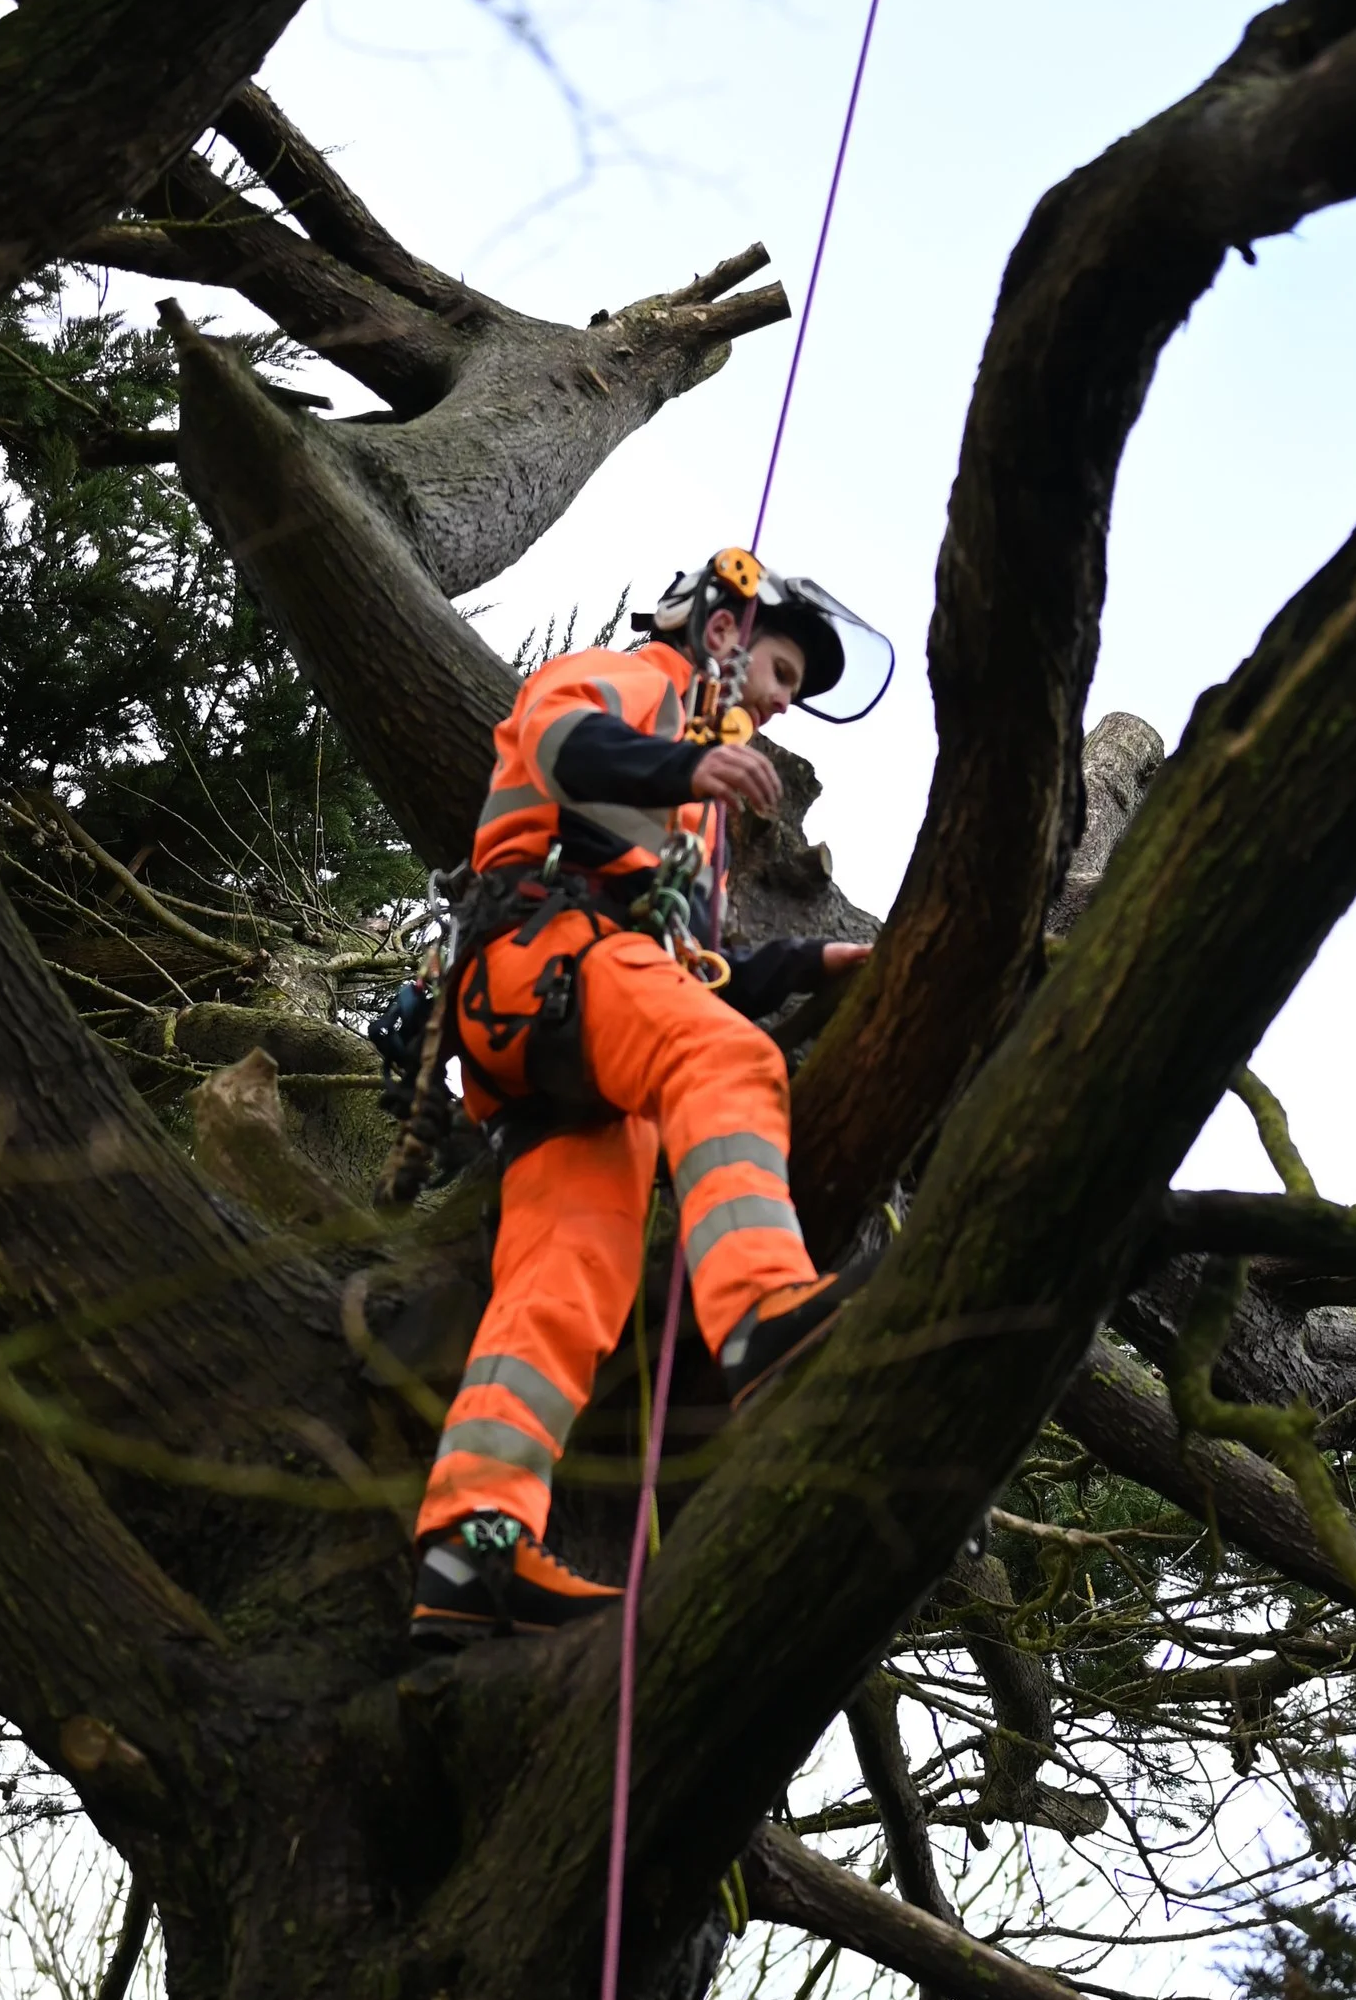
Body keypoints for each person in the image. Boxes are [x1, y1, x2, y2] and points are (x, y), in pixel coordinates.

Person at [408, 549, 889, 1645]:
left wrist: (830, 960)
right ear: (721, 629)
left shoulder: (693, 816)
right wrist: (684, 770)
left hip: (566, 1025)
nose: (776, 701)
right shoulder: (645, 682)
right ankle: (764, 1312)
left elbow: (707, 972)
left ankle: (468, 1547)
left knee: (565, 1286)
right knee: (725, 1062)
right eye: (775, 667)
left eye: (792, 691)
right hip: (552, 960)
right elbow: (556, 736)